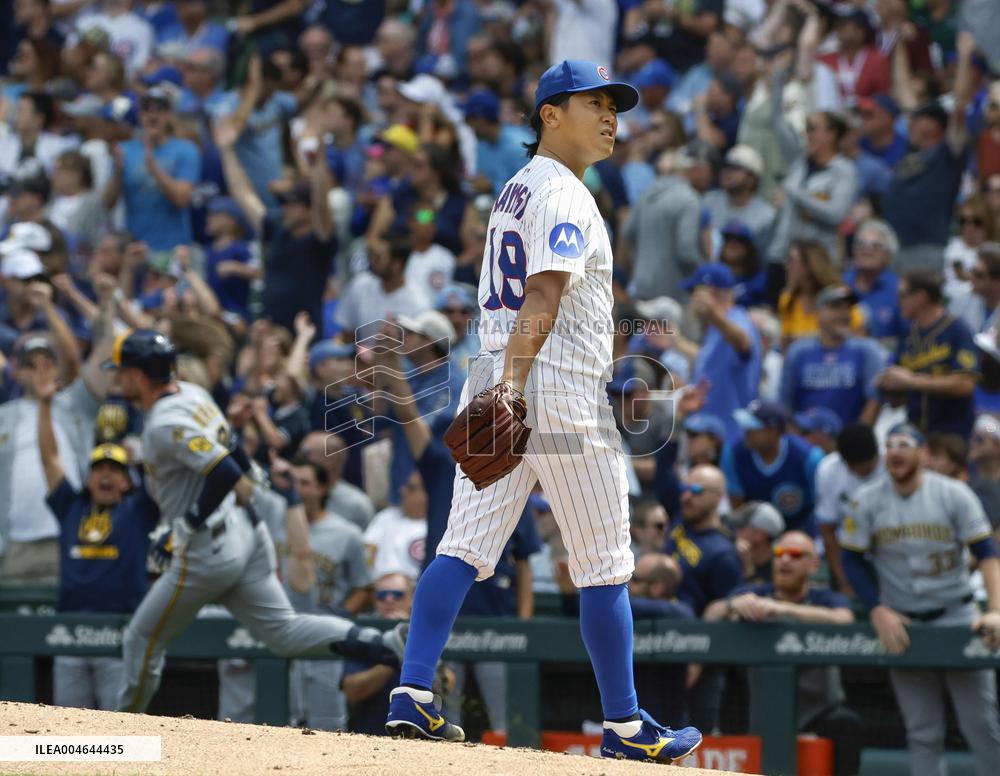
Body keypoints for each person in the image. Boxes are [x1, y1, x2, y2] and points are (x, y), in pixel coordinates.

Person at [384, 60, 702, 762]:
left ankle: (413, 692)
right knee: (605, 565)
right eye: (594, 103)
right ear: (549, 115)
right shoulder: (564, 194)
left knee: (461, 549)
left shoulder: (515, 191)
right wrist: (517, 386)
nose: (611, 116)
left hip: (498, 377)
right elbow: (543, 298)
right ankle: (623, 726)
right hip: (548, 388)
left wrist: (501, 385)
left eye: (615, 105)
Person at [108, 329, 406, 713]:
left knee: (140, 639)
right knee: (284, 631)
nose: (118, 379)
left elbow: (223, 471)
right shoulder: (193, 394)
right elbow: (231, 446)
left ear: (137, 375)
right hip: (245, 532)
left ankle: (122, 734)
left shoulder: (165, 421)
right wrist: (249, 471)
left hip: (207, 547)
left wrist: (186, 525)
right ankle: (383, 644)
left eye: (122, 371)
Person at [841, 423, 1000, 776]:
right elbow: (851, 558)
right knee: (922, 731)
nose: (895, 451)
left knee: (981, 726)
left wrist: (995, 610)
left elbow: (987, 552)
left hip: (957, 617)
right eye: (889, 445)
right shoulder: (867, 499)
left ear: (923, 454)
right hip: (903, 623)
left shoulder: (954, 494)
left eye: (905, 444)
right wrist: (877, 608)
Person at [36, 366, 157, 710]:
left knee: (119, 734)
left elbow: (160, 475)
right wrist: (44, 406)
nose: (105, 475)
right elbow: (49, 458)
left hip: (120, 634)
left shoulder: (139, 510)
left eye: (114, 470)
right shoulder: (70, 506)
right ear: (88, 478)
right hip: (70, 631)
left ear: (126, 480)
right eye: (99, 469)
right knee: (70, 735)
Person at [705, 531, 863, 776]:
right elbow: (710, 614)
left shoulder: (826, 598)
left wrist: (781, 610)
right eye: (779, 554)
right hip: (758, 709)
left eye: (796, 555)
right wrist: (731, 605)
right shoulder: (754, 593)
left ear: (814, 565)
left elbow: (844, 619)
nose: (785, 560)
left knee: (846, 723)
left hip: (817, 711)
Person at [876, 270, 979, 437]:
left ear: (921, 296)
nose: (898, 301)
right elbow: (900, 397)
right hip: (916, 431)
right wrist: (889, 384)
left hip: (953, 433)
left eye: (903, 295)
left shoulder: (957, 329)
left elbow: (965, 384)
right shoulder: (908, 333)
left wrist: (912, 381)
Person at [102, 87, 200, 251]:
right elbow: (107, 203)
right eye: (147, 110)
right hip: (135, 246)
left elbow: (182, 199)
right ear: (140, 114)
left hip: (173, 247)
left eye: (160, 110)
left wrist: (154, 169)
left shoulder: (186, 150)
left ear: (169, 115)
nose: (153, 116)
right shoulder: (125, 150)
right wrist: (118, 173)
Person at [672, 263, 761, 443]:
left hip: (730, 436)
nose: (691, 301)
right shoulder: (716, 329)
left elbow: (744, 344)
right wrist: (676, 343)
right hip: (709, 434)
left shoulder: (736, 320)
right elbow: (711, 360)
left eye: (693, 293)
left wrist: (714, 314)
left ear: (709, 293)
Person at [781, 284, 885, 426]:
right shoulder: (799, 352)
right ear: (818, 312)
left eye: (848, 308)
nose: (843, 314)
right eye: (835, 307)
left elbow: (874, 399)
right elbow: (785, 403)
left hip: (849, 439)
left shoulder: (867, 350)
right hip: (806, 438)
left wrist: (856, 438)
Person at [721, 399, 825, 536]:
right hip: (754, 533)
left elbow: (819, 507)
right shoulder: (733, 453)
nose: (746, 432)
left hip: (800, 530)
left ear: (774, 431)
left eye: (753, 427)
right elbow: (738, 507)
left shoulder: (809, 457)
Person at [341, 572, 415, 735]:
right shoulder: (362, 633)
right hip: (371, 732)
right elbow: (351, 691)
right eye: (382, 595)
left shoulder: (426, 630)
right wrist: (393, 658)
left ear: (411, 598)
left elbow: (448, 686)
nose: (389, 600)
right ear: (374, 600)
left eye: (398, 595)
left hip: (419, 731)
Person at [728, 501, 785, 585]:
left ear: (760, 535)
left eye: (740, 528)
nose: (735, 532)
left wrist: (749, 570)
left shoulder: (782, 567)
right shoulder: (732, 554)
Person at [969, 414, 1000, 534]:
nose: (972, 443)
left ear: (998, 447)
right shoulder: (964, 481)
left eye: (979, 440)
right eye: (972, 438)